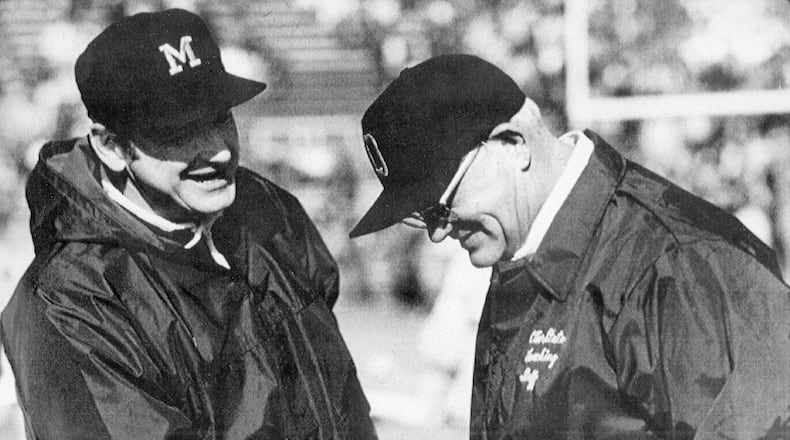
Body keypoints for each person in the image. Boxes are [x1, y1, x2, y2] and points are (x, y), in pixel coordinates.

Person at [350, 54, 790, 439]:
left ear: (511, 144)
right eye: (422, 216)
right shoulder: (521, 259)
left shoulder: (681, 264)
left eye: (440, 204)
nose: (437, 233)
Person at [1, 9, 376, 439]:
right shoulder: (70, 298)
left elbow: (342, 401)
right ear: (111, 146)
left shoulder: (270, 213)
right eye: (179, 132)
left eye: (220, 118)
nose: (217, 152)